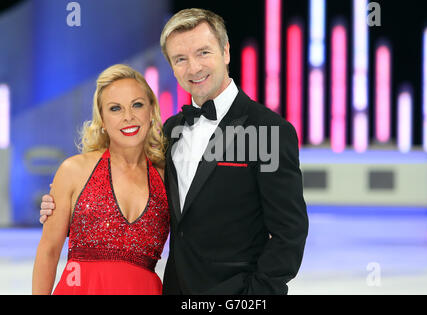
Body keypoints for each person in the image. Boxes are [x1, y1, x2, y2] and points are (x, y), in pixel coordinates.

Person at [41, 8, 308, 295]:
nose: (194, 68)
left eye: (203, 53)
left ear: (226, 51)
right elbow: (124, 178)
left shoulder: (268, 130)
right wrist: (66, 207)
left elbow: (289, 233)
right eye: (181, 59)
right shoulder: (170, 131)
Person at [33, 64, 169, 295]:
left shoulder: (167, 178)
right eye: (115, 108)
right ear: (103, 121)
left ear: (151, 111)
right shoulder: (74, 170)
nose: (128, 117)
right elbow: (48, 252)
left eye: (137, 105)